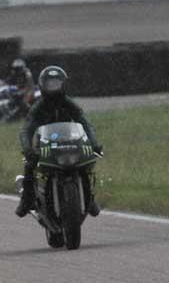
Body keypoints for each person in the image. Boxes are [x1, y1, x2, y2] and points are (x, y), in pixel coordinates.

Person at [15, 65, 103, 217]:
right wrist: (28, 148)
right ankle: (26, 199)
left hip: (71, 142)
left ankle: (90, 198)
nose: (53, 88)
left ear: (63, 84)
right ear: (43, 85)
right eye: (50, 84)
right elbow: (26, 130)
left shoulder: (69, 104)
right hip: (45, 145)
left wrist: (93, 143)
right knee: (29, 165)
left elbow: (85, 123)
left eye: (57, 83)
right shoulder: (38, 107)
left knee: (85, 164)